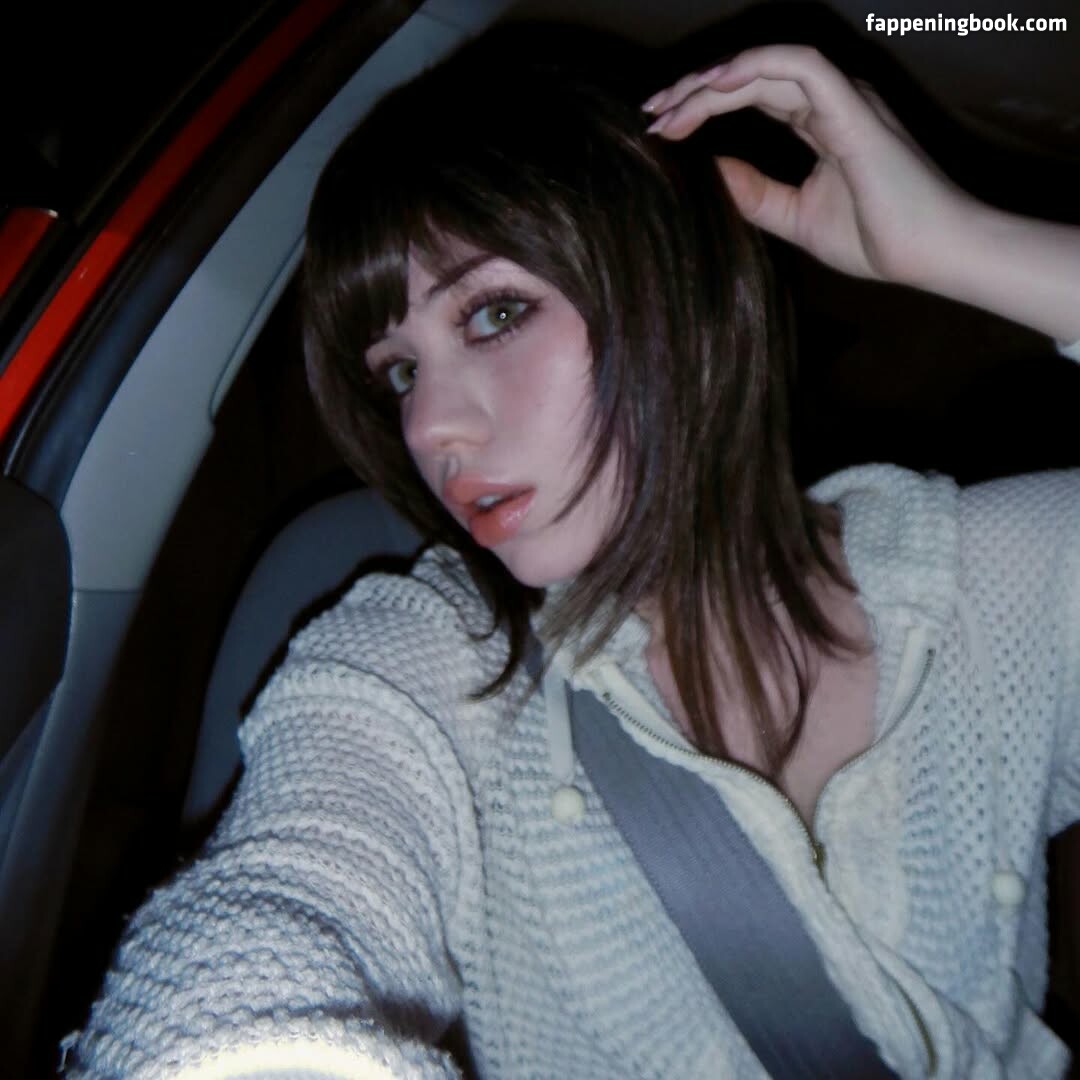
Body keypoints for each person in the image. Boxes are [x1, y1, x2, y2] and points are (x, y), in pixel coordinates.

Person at [70, 26, 1080, 1079]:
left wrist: (962, 243)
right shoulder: (441, 658)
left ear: (673, 288)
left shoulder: (988, 588)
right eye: (401, 371)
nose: (430, 429)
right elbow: (292, 889)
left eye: (496, 312)